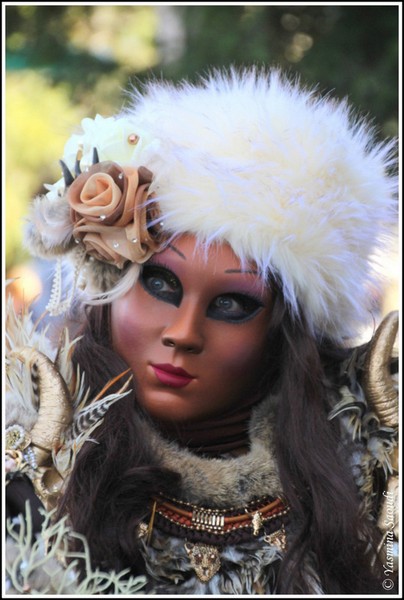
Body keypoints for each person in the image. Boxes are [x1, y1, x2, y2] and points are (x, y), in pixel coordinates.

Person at [5, 67, 398, 595]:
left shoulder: (371, 481)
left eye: (232, 304)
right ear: (111, 279)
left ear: (284, 339)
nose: (183, 332)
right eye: (161, 283)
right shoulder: (22, 464)